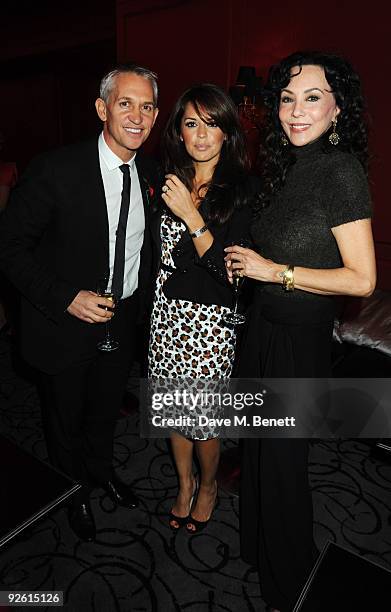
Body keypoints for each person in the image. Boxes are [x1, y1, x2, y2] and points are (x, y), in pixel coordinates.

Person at [225, 51, 376, 611]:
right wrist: (252, 265)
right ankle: (257, 550)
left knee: (284, 466)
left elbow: (362, 280)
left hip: (298, 339)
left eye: (313, 98)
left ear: (339, 109)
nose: (296, 111)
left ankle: (289, 585)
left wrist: (275, 272)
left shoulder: (340, 170)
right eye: (288, 99)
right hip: (265, 328)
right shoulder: (289, 164)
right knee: (260, 451)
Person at [0, 63, 160, 542]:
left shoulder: (152, 173)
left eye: (147, 105)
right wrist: (66, 297)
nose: (137, 115)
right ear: (101, 108)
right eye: (125, 103)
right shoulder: (55, 169)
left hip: (123, 319)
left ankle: (102, 471)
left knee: (106, 410)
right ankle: (75, 492)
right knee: (65, 418)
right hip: (64, 324)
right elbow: (8, 246)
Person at [147, 83, 256, 533]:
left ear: (227, 131)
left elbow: (232, 274)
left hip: (209, 322)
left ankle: (208, 486)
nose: (202, 135)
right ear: (179, 132)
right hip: (165, 317)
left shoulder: (244, 191)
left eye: (212, 124)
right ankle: (183, 482)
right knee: (174, 412)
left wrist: (193, 218)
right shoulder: (167, 180)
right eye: (192, 124)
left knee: (204, 422)